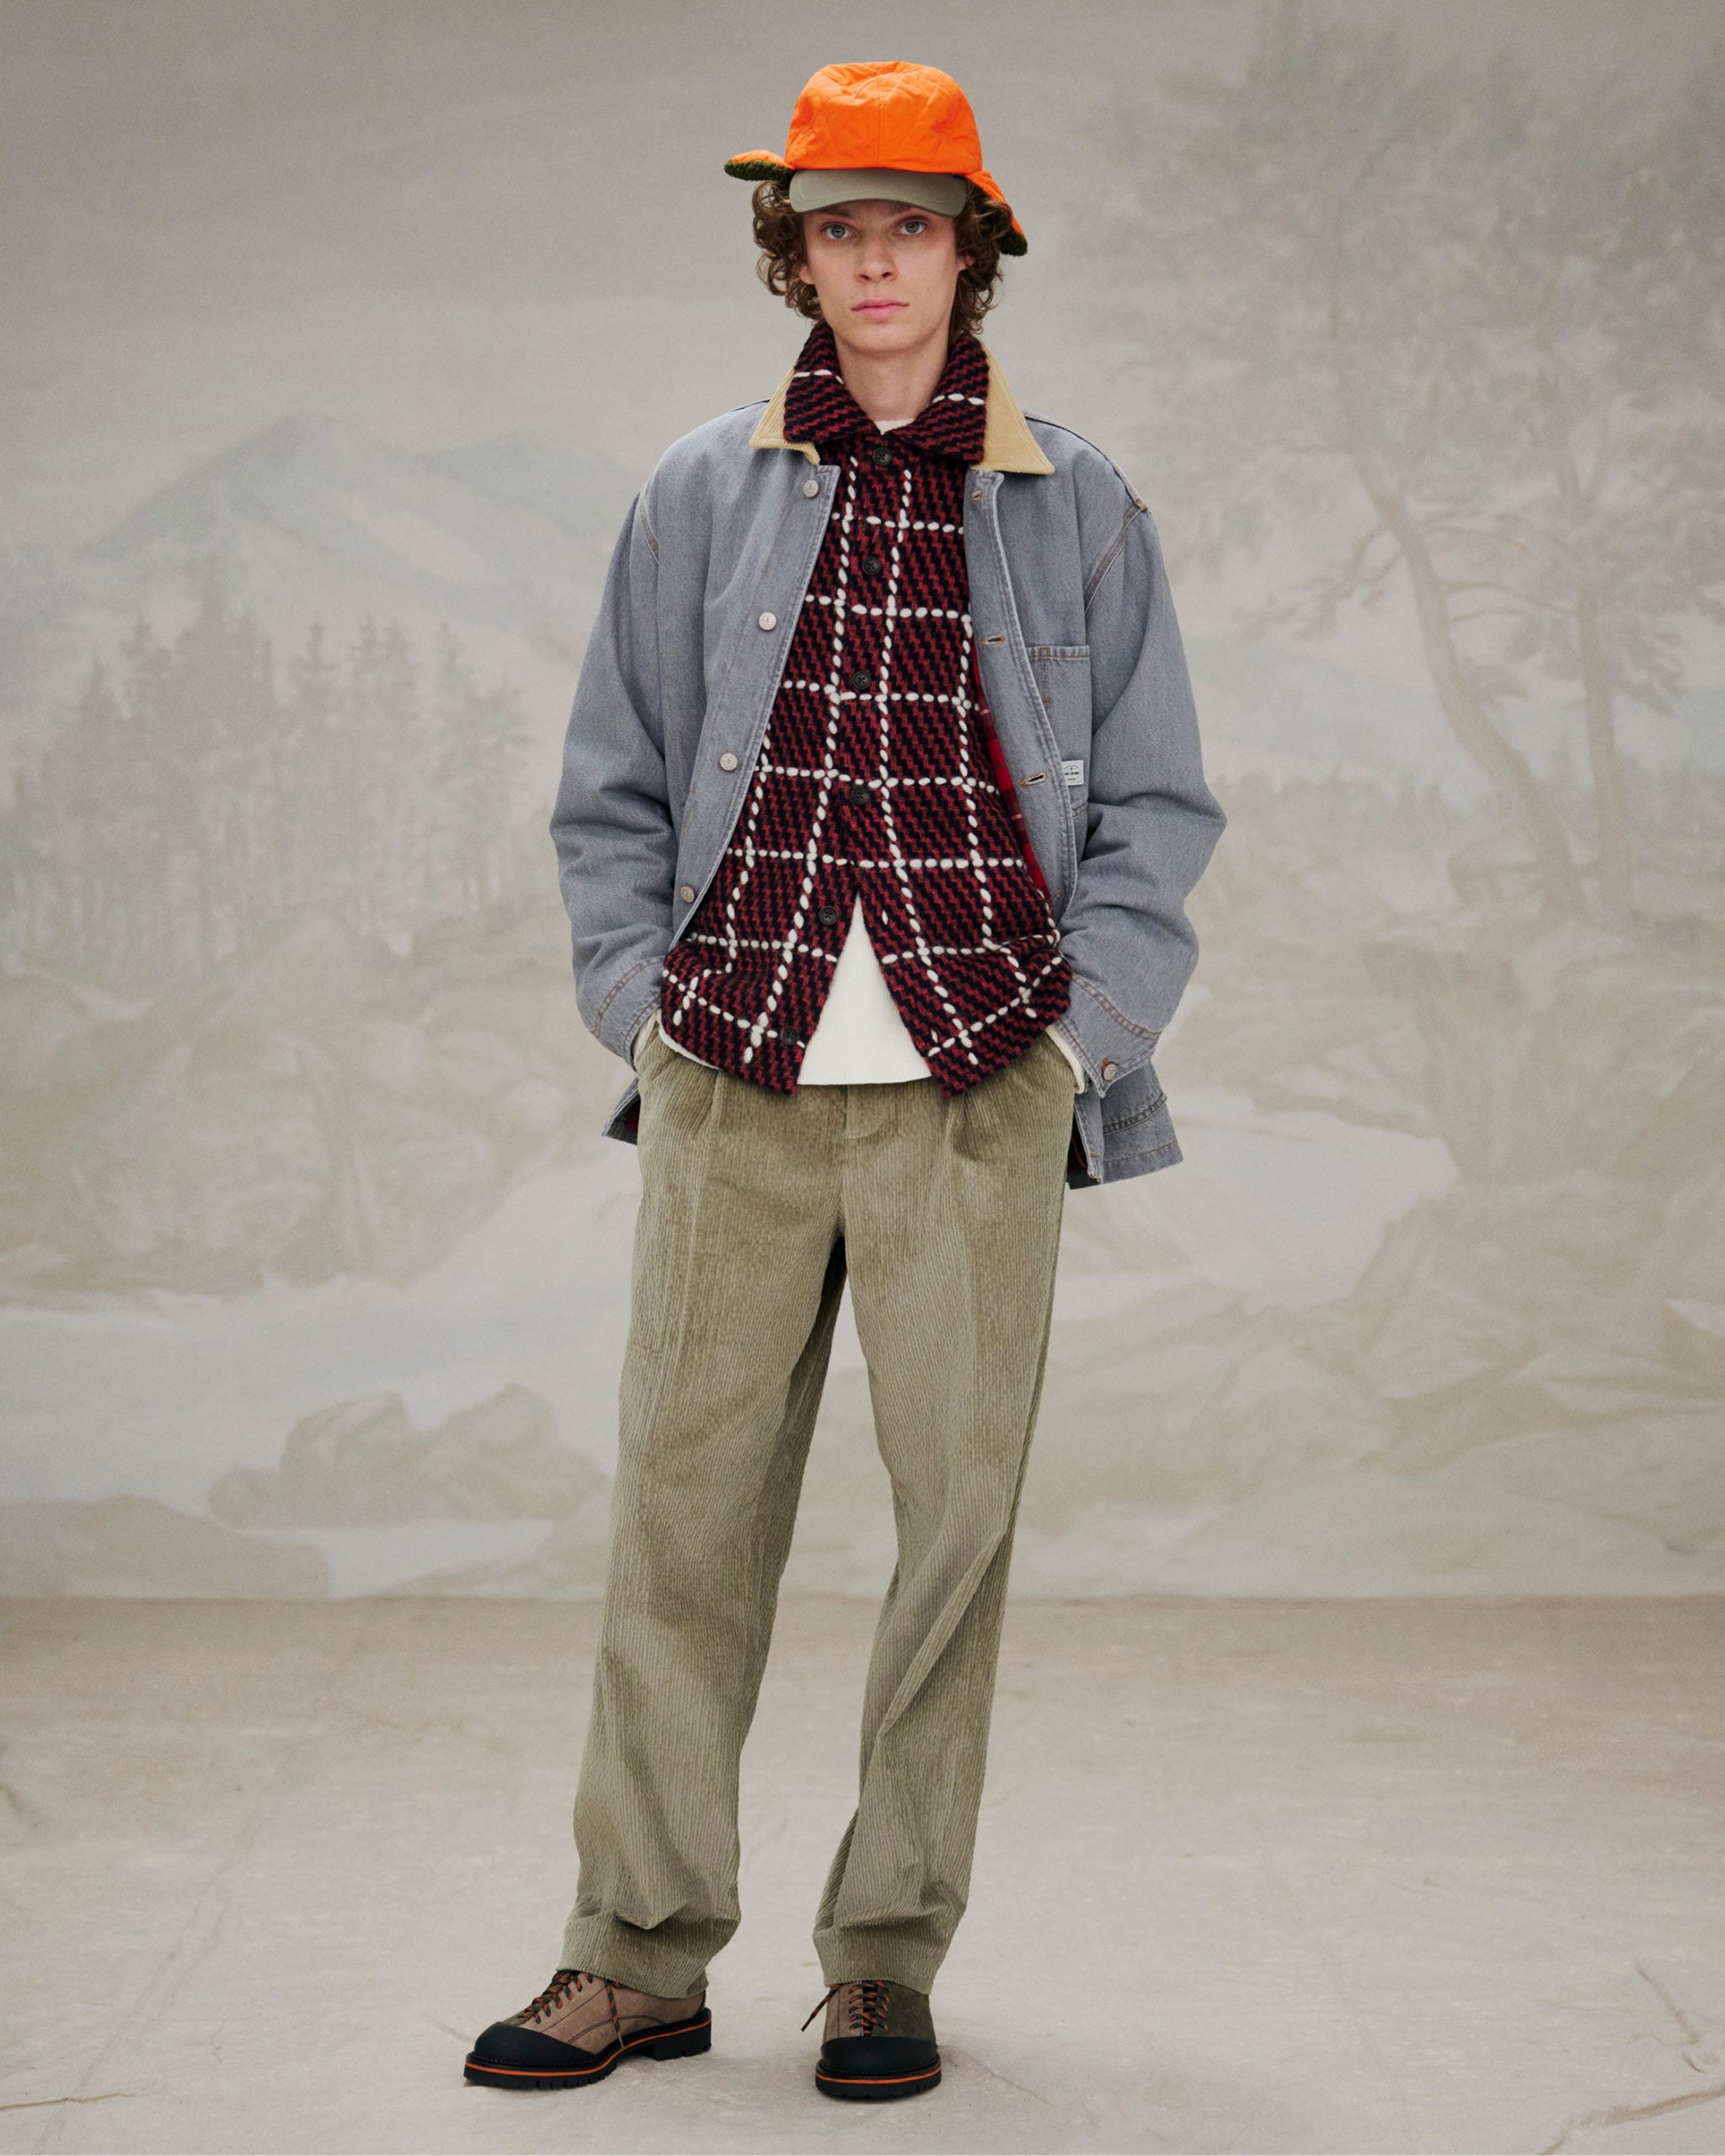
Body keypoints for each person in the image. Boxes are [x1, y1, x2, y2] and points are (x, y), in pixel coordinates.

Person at [464, 57, 1226, 2105]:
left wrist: (1078, 1036)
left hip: (980, 1079)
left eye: (908, 224)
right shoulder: (697, 490)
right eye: (835, 227)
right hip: (736, 1068)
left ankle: (883, 1957)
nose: (872, 259)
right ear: (789, 255)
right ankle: (634, 1950)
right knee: (680, 1521)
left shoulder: (1081, 503)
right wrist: (644, 1006)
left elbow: (1157, 806)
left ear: (971, 250)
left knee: (952, 1529)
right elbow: (613, 784)